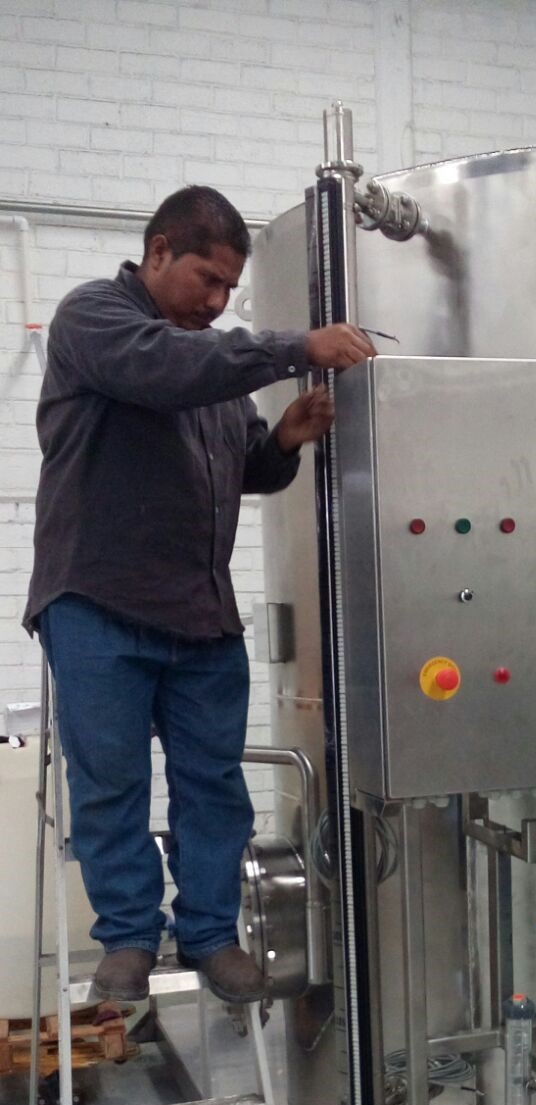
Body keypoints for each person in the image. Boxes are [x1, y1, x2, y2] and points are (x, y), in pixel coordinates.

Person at [24, 185, 376, 1004]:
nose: (217, 302)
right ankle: (128, 938)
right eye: (207, 280)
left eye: (228, 288)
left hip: (200, 613)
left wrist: (283, 438)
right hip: (98, 600)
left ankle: (211, 933)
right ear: (158, 253)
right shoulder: (94, 320)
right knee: (111, 780)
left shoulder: (211, 367)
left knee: (213, 781)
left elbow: (246, 464)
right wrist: (296, 345)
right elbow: (164, 370)